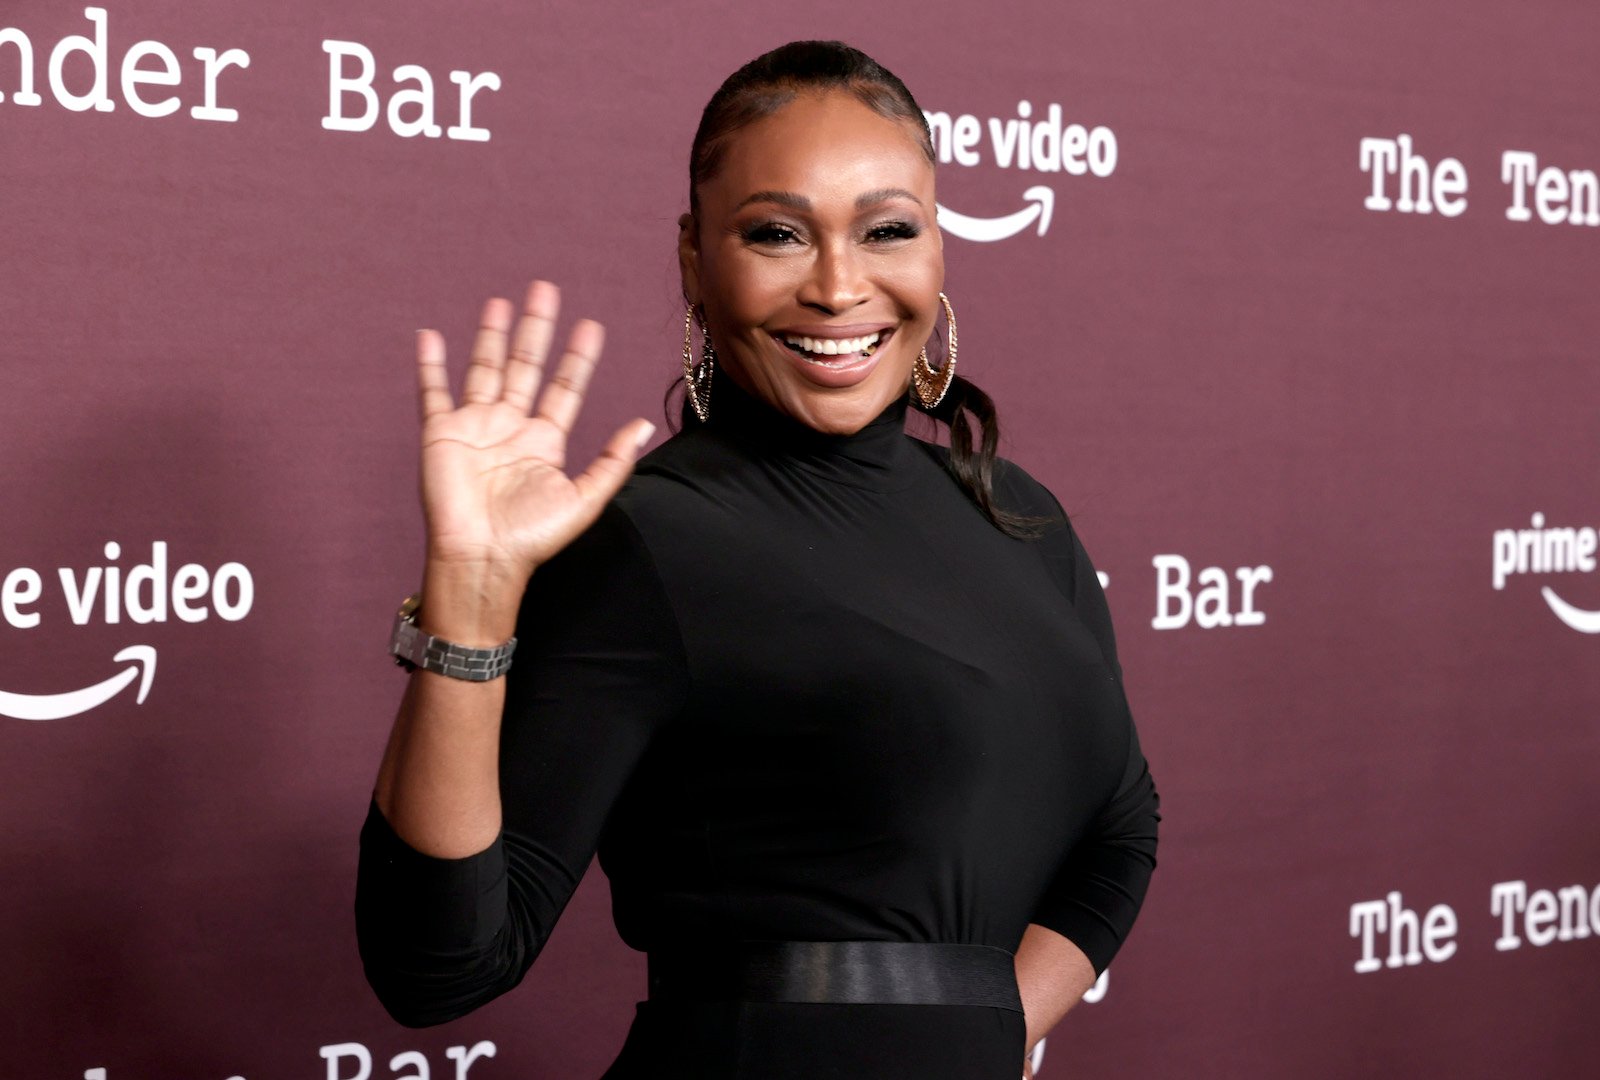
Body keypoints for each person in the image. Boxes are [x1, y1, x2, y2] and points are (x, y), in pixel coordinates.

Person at [356, 40, 1159, 1080]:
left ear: (936, 250)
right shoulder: (650, 539)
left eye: (886, 230)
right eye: (777, 233)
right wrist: (471, 596)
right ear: (695, 258)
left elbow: (1119, 833)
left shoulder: (1018, 518)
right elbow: (439, 965)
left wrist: (983, 1030)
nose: (837, 286)